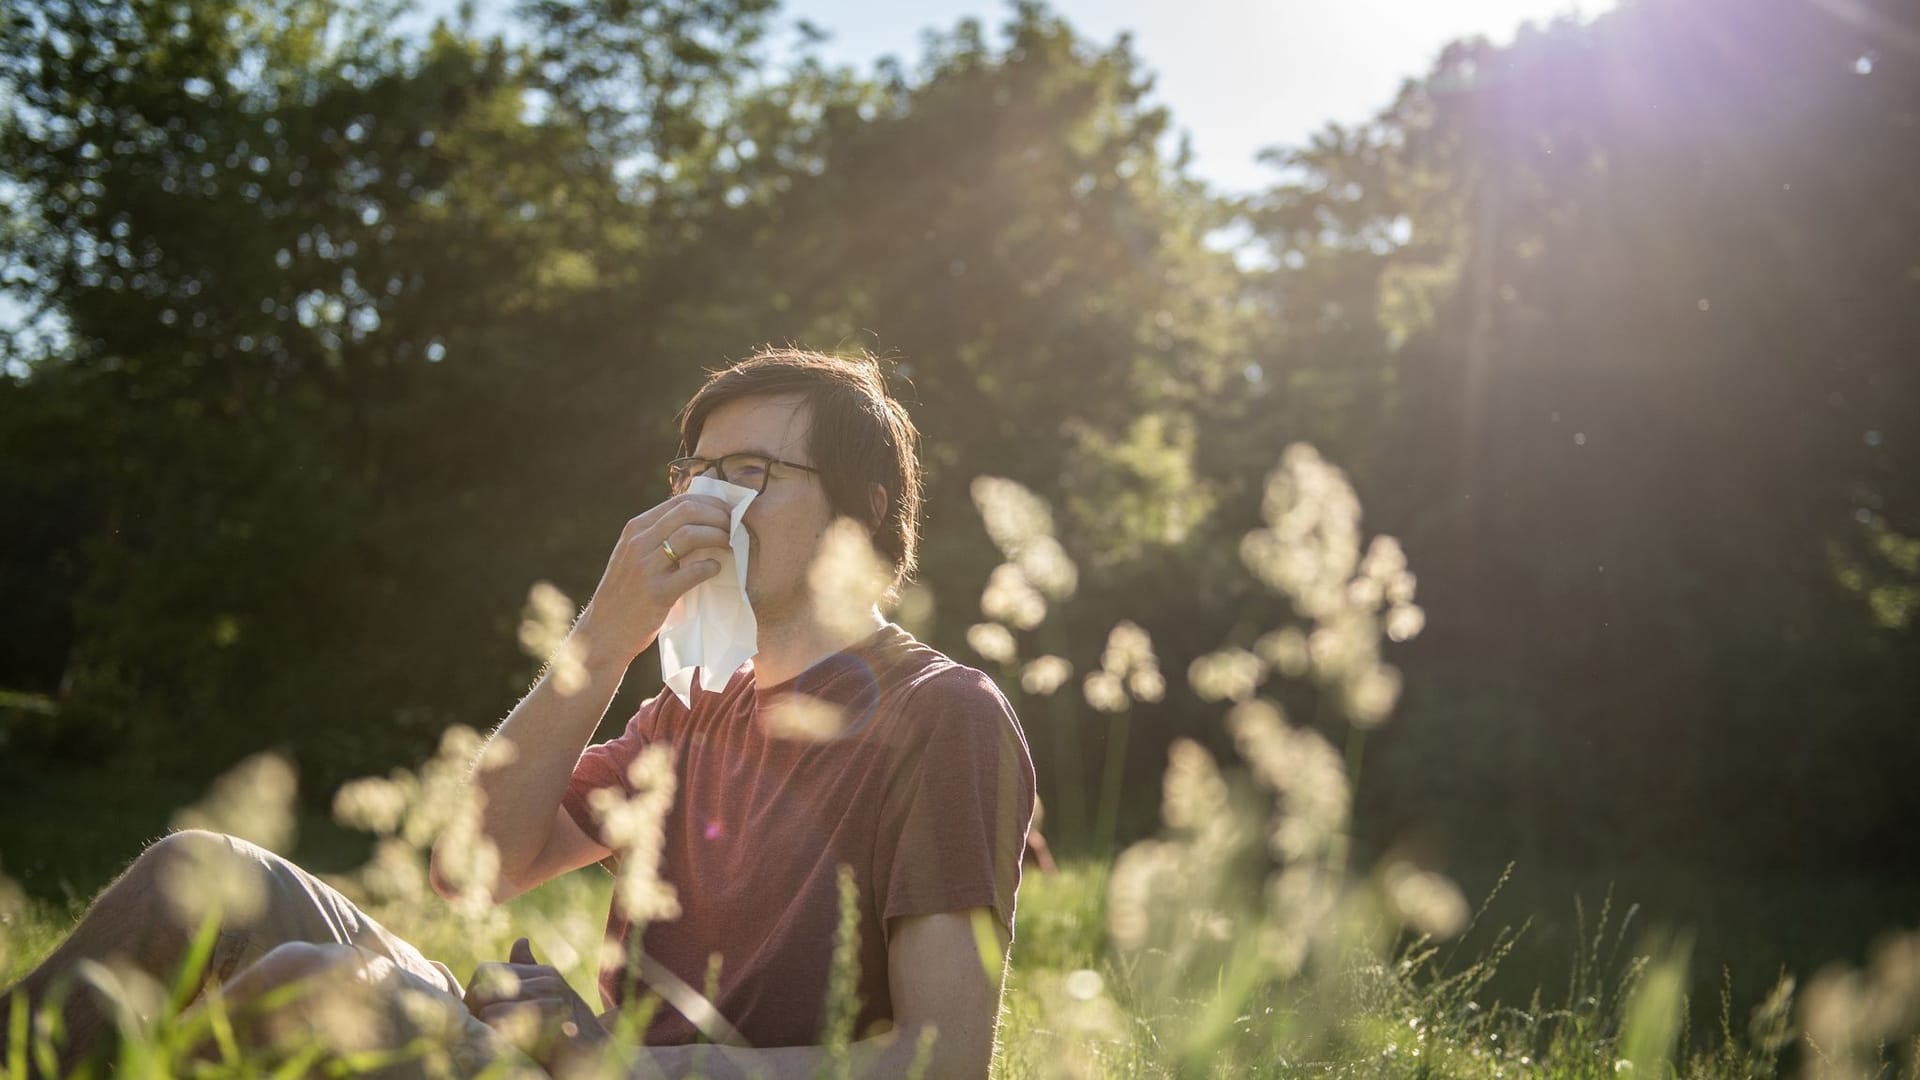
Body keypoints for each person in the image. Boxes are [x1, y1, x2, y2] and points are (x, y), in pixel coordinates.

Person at [2, 347, 1038, 1080]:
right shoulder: (692, 710)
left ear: (858, 512)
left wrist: (618, 1063)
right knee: (198, 874)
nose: (702, 506)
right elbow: (474, 866)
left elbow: (937, 1063)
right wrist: (604, 636)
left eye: (749, 475)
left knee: (316, 984)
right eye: (696, 474)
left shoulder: (942, 714)